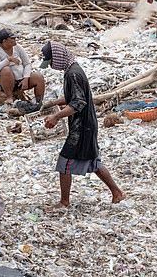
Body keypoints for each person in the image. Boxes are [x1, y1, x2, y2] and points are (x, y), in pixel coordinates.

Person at [40, 42, 125, 207]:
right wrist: (54, 103)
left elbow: (78, 102)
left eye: (51, 62)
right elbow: (74, 97)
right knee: (93, 161)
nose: (51, 66)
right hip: (86, 124)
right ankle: (117, 193)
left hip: (82, 127)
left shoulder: (73, 74)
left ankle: (64, 201)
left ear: (58, 57)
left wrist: (56, 116)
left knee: (64, 162)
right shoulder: (72, 70)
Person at [0, 28, 46, 109]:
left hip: (20, 79)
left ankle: (38, 102)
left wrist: (26, 78)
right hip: (4, 82)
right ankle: (9, 97)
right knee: (6, 70)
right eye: (12, 38)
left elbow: (27, 63)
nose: (15, 40)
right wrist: (8, 60)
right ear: (4, 41)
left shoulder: (18, 47)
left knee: (38, 77)